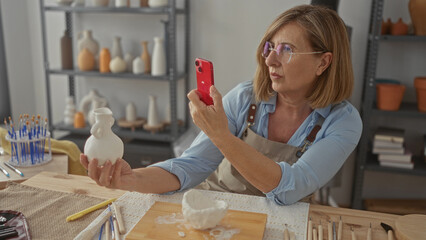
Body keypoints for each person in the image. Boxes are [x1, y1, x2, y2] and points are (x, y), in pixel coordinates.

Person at [80, 4, 362, 205]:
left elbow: (291, 189)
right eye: (269, 47)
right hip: (215, 206)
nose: (270, 60)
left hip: (284, 222)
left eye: (286, 50)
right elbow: (190, 165)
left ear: (323, 62)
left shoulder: (343, 122)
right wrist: (131, 180)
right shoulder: (245, 98)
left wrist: (220, 135)